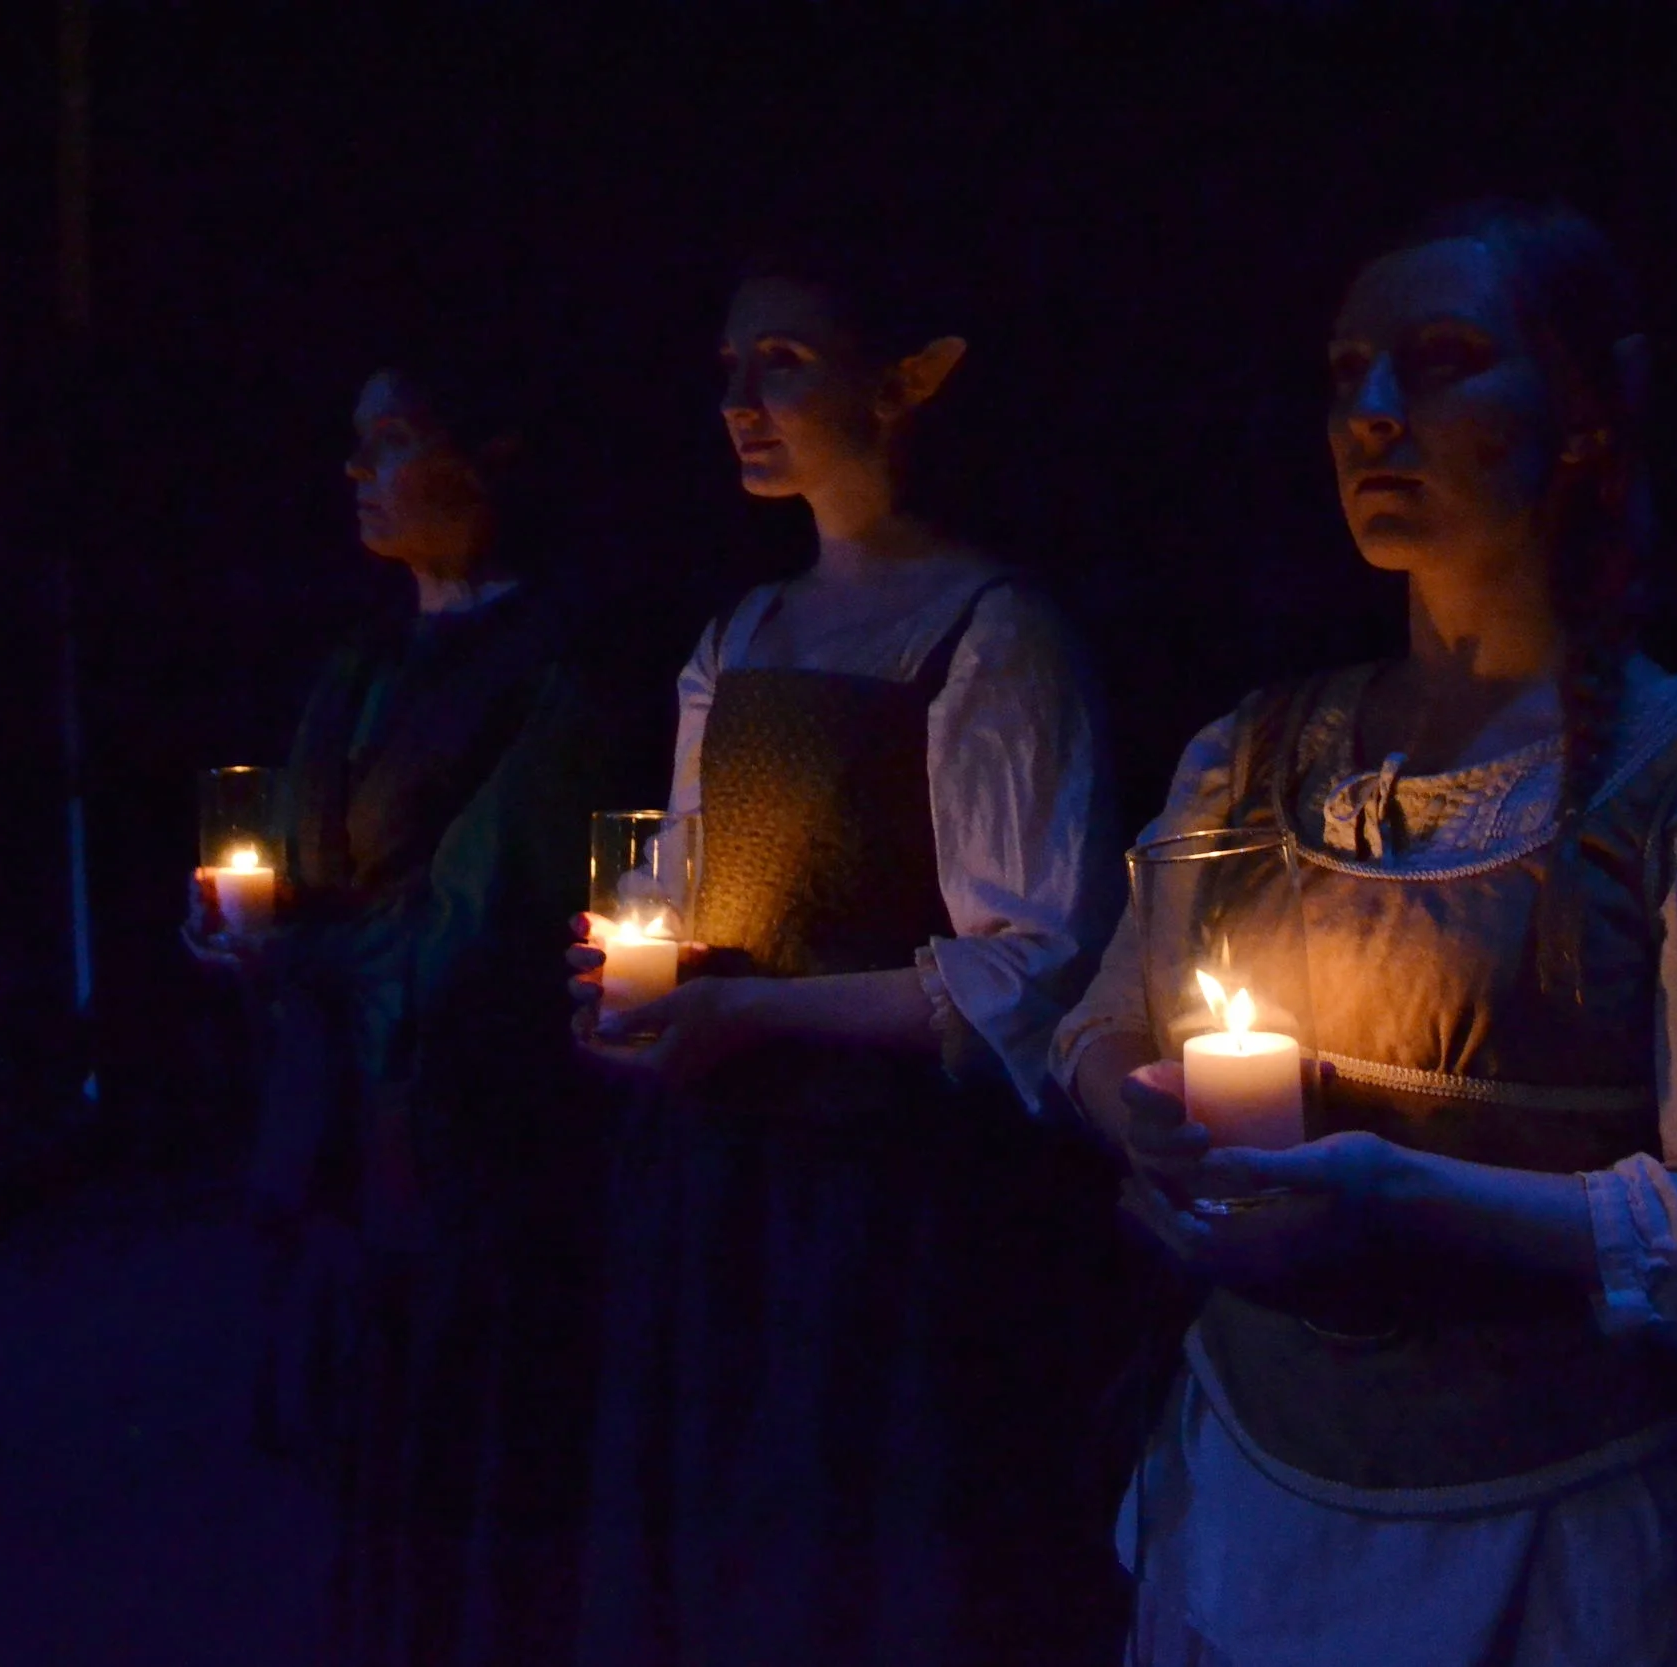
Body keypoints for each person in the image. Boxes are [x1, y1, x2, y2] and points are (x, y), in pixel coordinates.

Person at [1051, 201, 1677, 1665]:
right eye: (1346, 374)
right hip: (1249, 1502)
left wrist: (1401, 1197)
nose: (1372, 413)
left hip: (1550, 1545)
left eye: (1441, 360)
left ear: (1584, 417)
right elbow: (1106, 1021)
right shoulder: (1250, 758)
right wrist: (1142, 1130)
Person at [565, 232, 1132, 1666]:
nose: (740, 402)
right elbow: (689, 867)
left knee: (866, 1553)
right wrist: (635, 967)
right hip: (724, 1174)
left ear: (904, 384)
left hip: (886, 1191)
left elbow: (1033, 963)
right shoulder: (743, 629)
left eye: (785, 362)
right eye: (728, 368)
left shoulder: (988, 632)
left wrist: (758, 1017)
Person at [186, 342, 605, 1666]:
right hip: (348, 1156)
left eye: (395, 440)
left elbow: (487, 926)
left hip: (476, 1164)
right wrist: (239, 927)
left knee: (474, 1495)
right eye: (355, 444)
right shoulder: (361, 662)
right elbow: (308, 882)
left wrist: (296, 950)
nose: (358, 470)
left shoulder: (558, 666)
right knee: (367, 1503)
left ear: (491, 459)